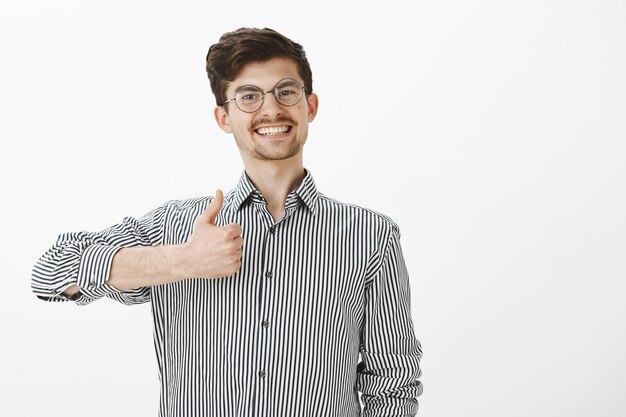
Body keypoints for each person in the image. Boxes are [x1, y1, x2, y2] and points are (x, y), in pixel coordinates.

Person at [32, 27, 423, 417]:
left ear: (311, 106)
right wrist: (181, 261)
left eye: (286, 91)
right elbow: (48, 272)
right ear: (223, 117)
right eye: (248, 96)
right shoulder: (176, 226)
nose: (271, 109)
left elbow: (392, 387)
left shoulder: (372, 236)